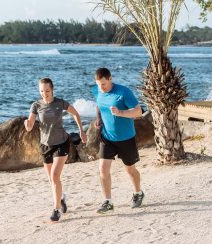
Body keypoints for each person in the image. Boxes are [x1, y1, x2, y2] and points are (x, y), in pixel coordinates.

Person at [24, 77, 87, 222]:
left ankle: (56, 209)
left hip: (61, 143)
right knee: (52, 179)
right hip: (45, 145)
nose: (44, 93)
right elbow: (30, 126)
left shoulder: (60, 103)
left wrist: (81, 131)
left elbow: (75, 113)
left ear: (52, 90)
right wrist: (27, 124)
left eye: (47, 90)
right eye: (41, 91)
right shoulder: (36, 105)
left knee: (55, 176)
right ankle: (62, 197)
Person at [92, 67, 144, 214]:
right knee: (102, 169)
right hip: (107, 137)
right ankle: (108, 201)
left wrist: (120, 112)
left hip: (126, 138)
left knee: (130, 169)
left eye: (103, 84)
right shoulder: (98, 91)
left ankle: (138, 193)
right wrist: (98, 119)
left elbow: (138, 111)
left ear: (110, 79)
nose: (101, 87)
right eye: (98, 84)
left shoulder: (123, 92)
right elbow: (99, 105)